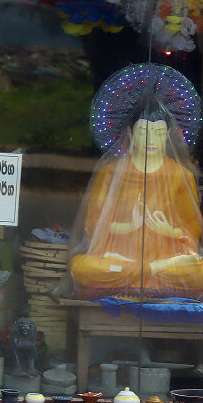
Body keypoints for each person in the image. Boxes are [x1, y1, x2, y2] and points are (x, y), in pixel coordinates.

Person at [69, 97, 203, 296]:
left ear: (166, 135)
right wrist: (129, 226)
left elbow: (192, 230)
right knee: (81, 267)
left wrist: (169, 231)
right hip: (120, 258)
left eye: (158, 133)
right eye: (143, 132)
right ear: (131, 134)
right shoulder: (111, 173)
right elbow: (93, 225)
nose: (151, 140)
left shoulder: (180, 176)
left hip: (168, 261)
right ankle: (149, 270)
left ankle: (145, 272)